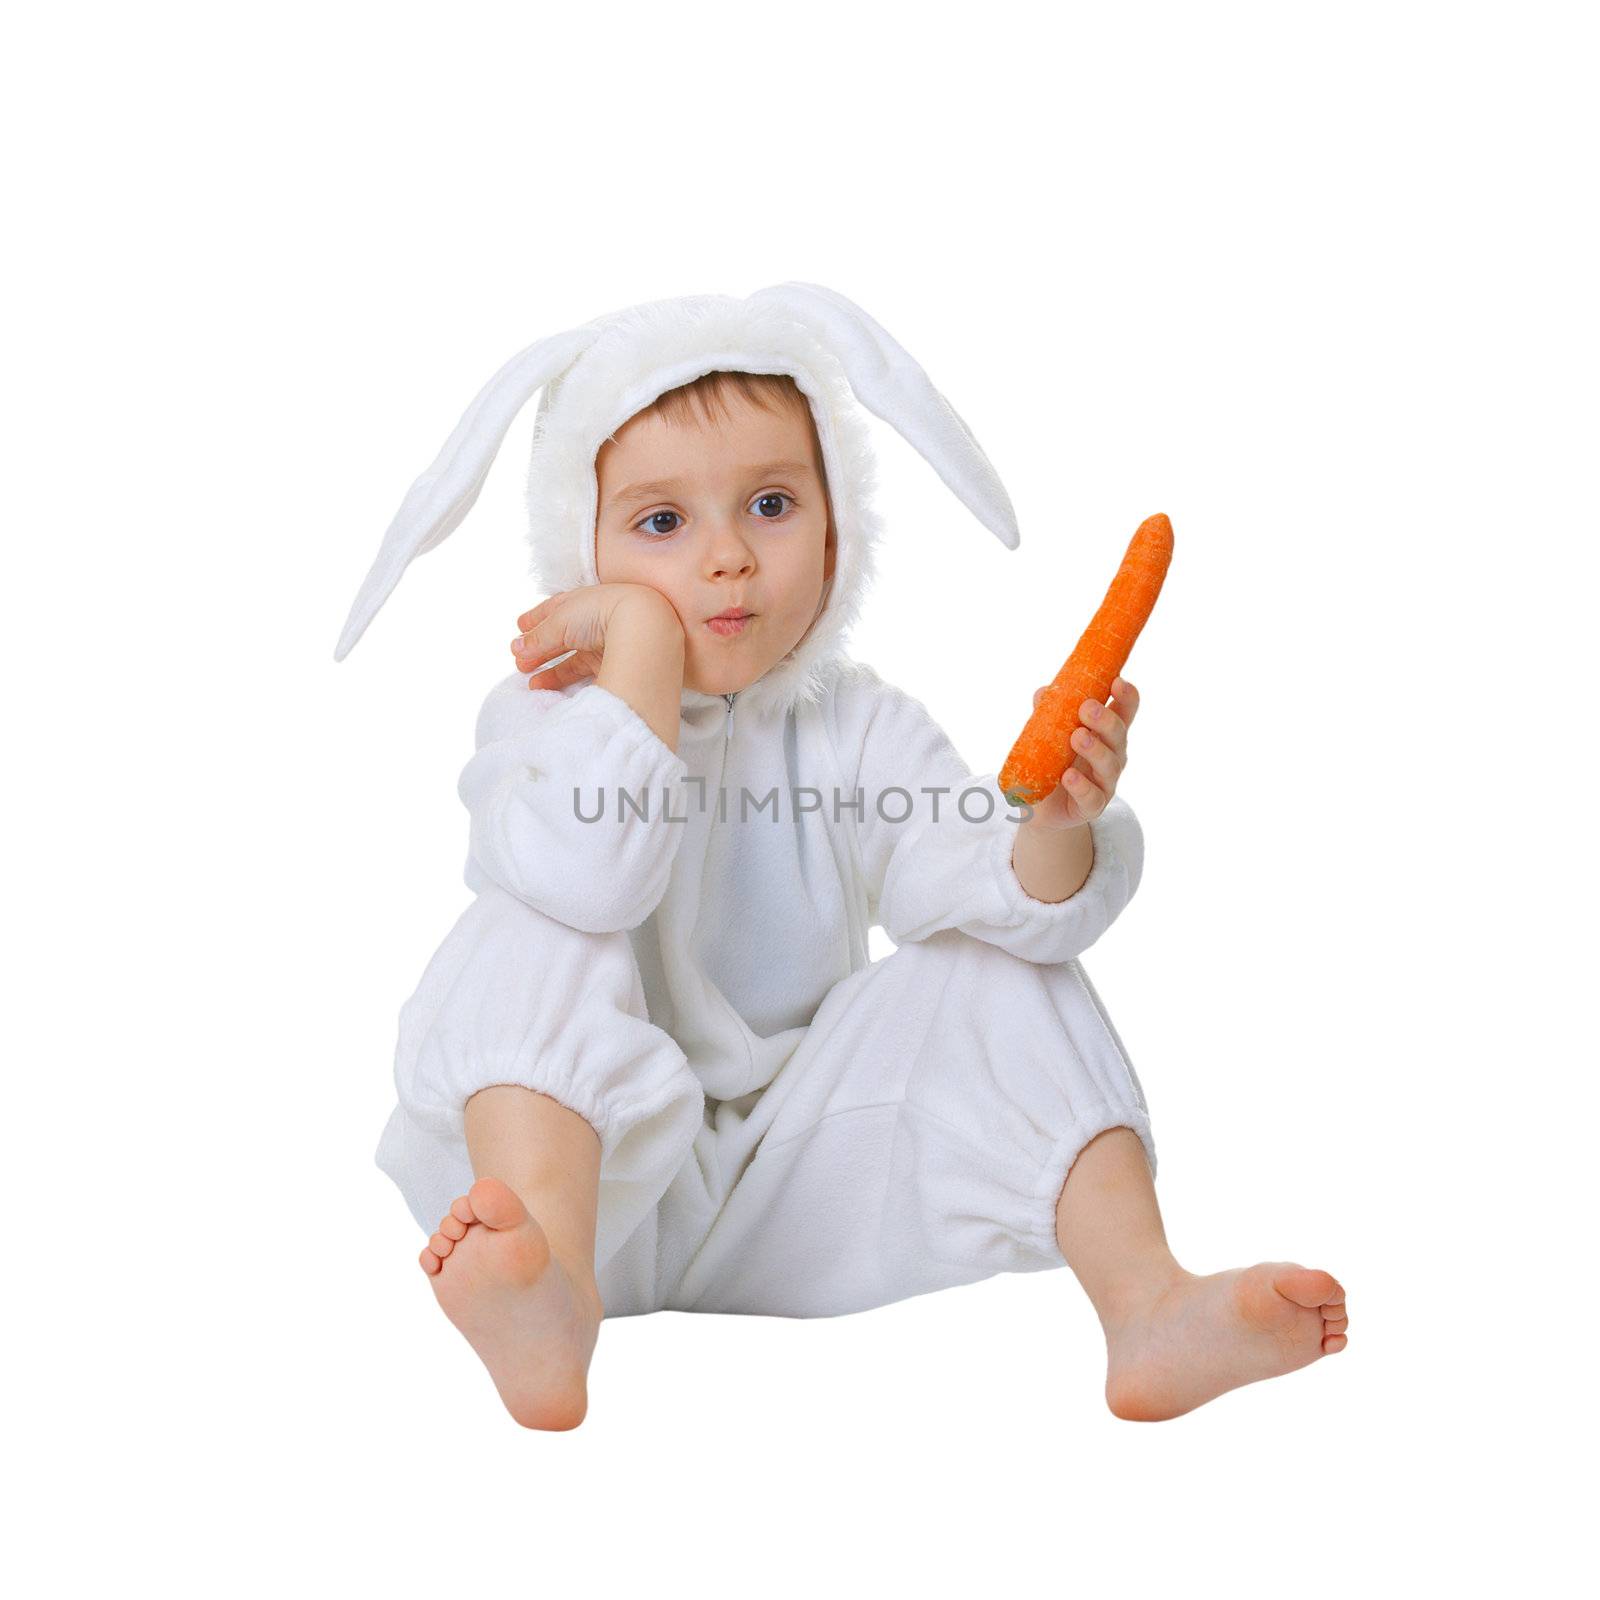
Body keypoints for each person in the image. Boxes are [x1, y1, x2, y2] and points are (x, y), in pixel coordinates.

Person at [336, 285, 1349, 1431]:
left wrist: (1054, 820)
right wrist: (642, 655)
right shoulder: (544, 721)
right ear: (585, 552)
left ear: (834, 530)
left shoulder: (855, 726)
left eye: (767, 503)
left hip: (798, 1186)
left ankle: (1148, 1301)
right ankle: (550, 1301)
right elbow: (592, 877)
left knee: (1002, 962)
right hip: (591, 1201)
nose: (724, 559)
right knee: (527, 926)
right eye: (661, 525)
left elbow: (989, 885)